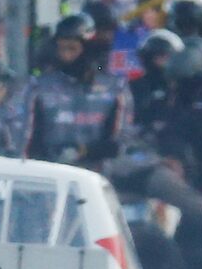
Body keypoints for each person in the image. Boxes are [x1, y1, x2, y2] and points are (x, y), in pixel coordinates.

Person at [13, 13, 127, 168]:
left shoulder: (114, 87)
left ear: (87, 48)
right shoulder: (39, 87)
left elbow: (121, 141)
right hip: (49, 171)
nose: (66, 55)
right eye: (61, 48)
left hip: (95, 176)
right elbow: (24, 137)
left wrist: (84, 151)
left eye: (72, 49)